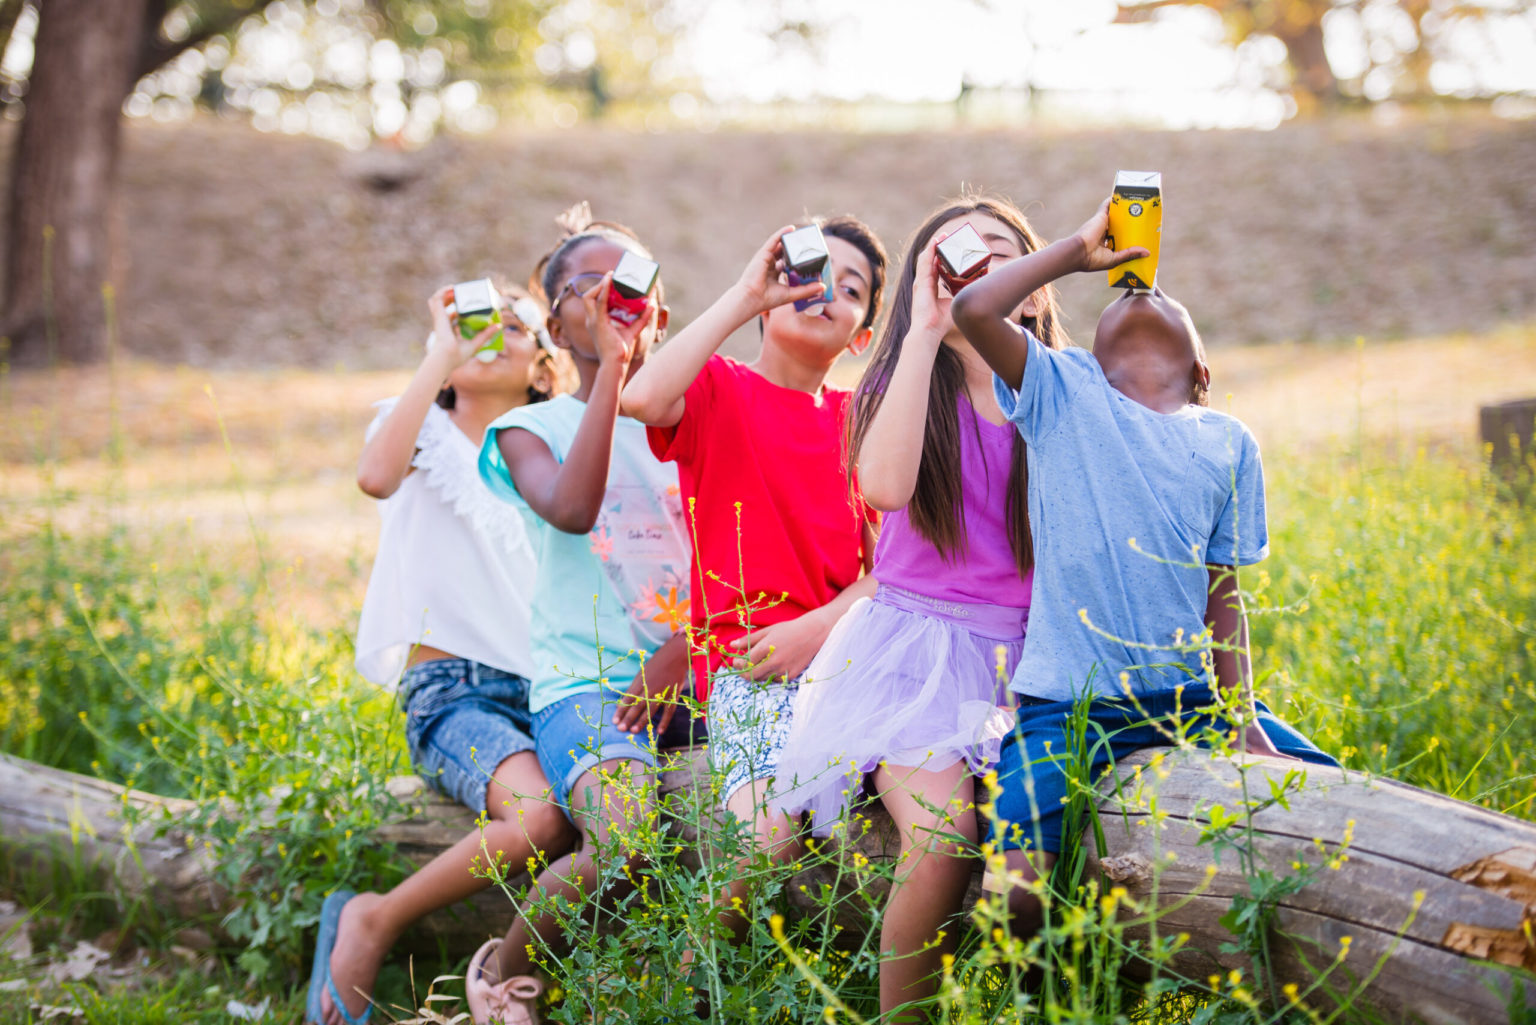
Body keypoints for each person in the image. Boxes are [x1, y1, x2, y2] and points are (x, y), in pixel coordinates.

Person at [950, 196, 1336, 937]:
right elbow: (974, 308)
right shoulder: (1065, 392)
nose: (1142, 287)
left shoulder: (1229, 442)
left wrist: (1242, 715)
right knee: (1015, 894)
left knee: (1325, 790)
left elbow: (1224, 595)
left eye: (1164, 294)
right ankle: (1045, 985)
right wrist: (1076, 252)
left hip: (1193, 700)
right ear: (1092, 363)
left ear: (1201, 370)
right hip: (1068, 705)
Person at [771, 196, 1057, 1021]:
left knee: (1052, 844)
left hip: (1028, 660)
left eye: (1003, 251)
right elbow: (885, 488)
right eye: (957, 256)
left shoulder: (1058, 390)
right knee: (941, 838)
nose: (981, 264)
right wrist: (929, 331)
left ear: (1038, 285)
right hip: (912, 659)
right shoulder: (905, 383)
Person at [307, 286, 574, 1025]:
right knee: (540, 820)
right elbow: (374, 478)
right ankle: (376, 917)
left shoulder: (551, 458)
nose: (495, 334)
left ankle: (538, 984)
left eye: (515, 326)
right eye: (479, 325)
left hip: (548, 690)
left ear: (542, 365)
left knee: (591, 818)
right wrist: (439, 354)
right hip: (453, 690)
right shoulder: (421, 430)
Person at [619, 217, 886, 951]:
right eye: (812, 273)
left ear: (862, 337)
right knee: (767, 841)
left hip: (844, 662)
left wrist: (817, 627)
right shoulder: (720, 388)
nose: (826, 292)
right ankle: (688, 985)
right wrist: (744, 296)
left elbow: (891, 571)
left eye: (851, 289)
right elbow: (641, 398)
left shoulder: (861, 421)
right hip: (750, 666)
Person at [468, 209, 693, 1025]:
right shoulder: (529, 427)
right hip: (589, 688)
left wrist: (684, 647)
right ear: (556, 327)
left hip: (699, 675)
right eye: (584, 287)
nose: (607, 297)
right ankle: (505, 979)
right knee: (627, 842)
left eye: (627, 284)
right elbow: (571, 507)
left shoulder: (702, 417)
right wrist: (613, 376)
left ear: (658, 311)